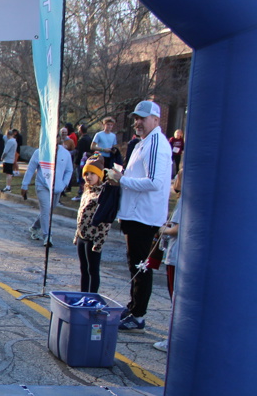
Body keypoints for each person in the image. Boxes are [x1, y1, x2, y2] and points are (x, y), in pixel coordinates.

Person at [107, 100, 173, 332]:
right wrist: (121, 175)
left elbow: (154, 182)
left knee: (140, 266)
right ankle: (134, 306)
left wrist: (122, 179)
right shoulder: (144, 142)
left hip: (144, 216)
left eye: (142, 118)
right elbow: (139, 175)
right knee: (135, 263)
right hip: (135, 215)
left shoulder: (156, 144)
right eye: (136, 118)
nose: (138, 122)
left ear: (155, 119)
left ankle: (138, 315)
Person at [20, 135, 73, 247]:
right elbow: (30, 169)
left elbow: (69, 170)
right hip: (42, 186)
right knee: (45, 209)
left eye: (56, 136)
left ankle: (35, 227)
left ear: (59, 139)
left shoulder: (65, 154)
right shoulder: (39, 152)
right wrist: (25, 185)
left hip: (57, 188)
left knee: (48, 211)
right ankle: (47, 236)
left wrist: (64, 184)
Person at [72, 156, 113, 292]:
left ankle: (92, 296)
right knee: (83, 269)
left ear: (99, 175)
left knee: (92, 270)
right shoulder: (87, 191)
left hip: (93, 239)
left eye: (92, 174)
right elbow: (81, 215)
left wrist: (99, 243)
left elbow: (105, 223)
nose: (88, 177)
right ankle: (83, 295)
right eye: (86, 174)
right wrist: (77, 234)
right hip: (82, 236)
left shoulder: (103, 194)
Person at [154, 169, 182, 352]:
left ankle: (172, 340)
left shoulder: (184, 200)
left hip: (176, 257)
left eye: (177, 177)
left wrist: (164, 230)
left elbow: (178, 229)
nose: (174, 181)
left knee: (176, 301)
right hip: (180, 257)